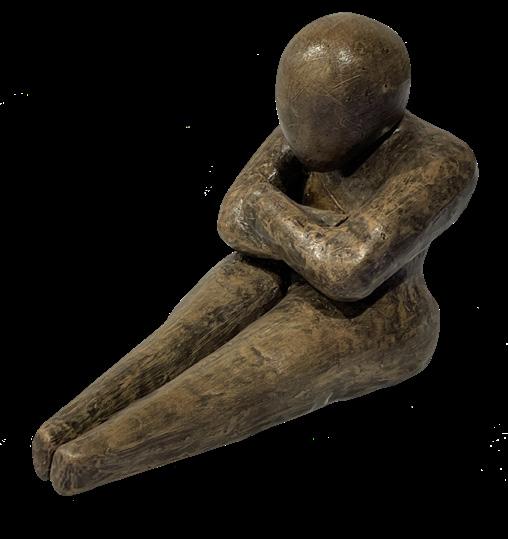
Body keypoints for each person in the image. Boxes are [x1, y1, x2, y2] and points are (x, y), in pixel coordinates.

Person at [32, 12, 478, 495]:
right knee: (181, 338)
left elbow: (348, 273)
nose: (297, 135)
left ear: (381, 108)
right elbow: (232, 217)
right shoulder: (301, 123)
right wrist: (326, 230)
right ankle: (68, 426)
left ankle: (90, 456)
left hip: (377, 314)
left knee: (244, 370)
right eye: (289, 114)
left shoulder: (442, 160)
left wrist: (270, 211)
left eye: (321, 120)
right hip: (270, 267)